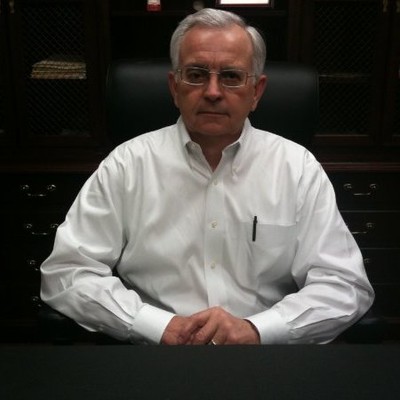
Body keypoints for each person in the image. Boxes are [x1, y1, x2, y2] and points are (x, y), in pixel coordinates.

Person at [41, 8, 374, 345]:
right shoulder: (127, 165)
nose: (213, 91)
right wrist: (156, 325)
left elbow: (344, 286)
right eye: (196, 74)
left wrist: (257, 329)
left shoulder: (297, 168)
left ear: (256, 91)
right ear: (174, 87)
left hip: (263, 355)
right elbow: (67, 273)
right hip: (154, 353)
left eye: (231, 76)